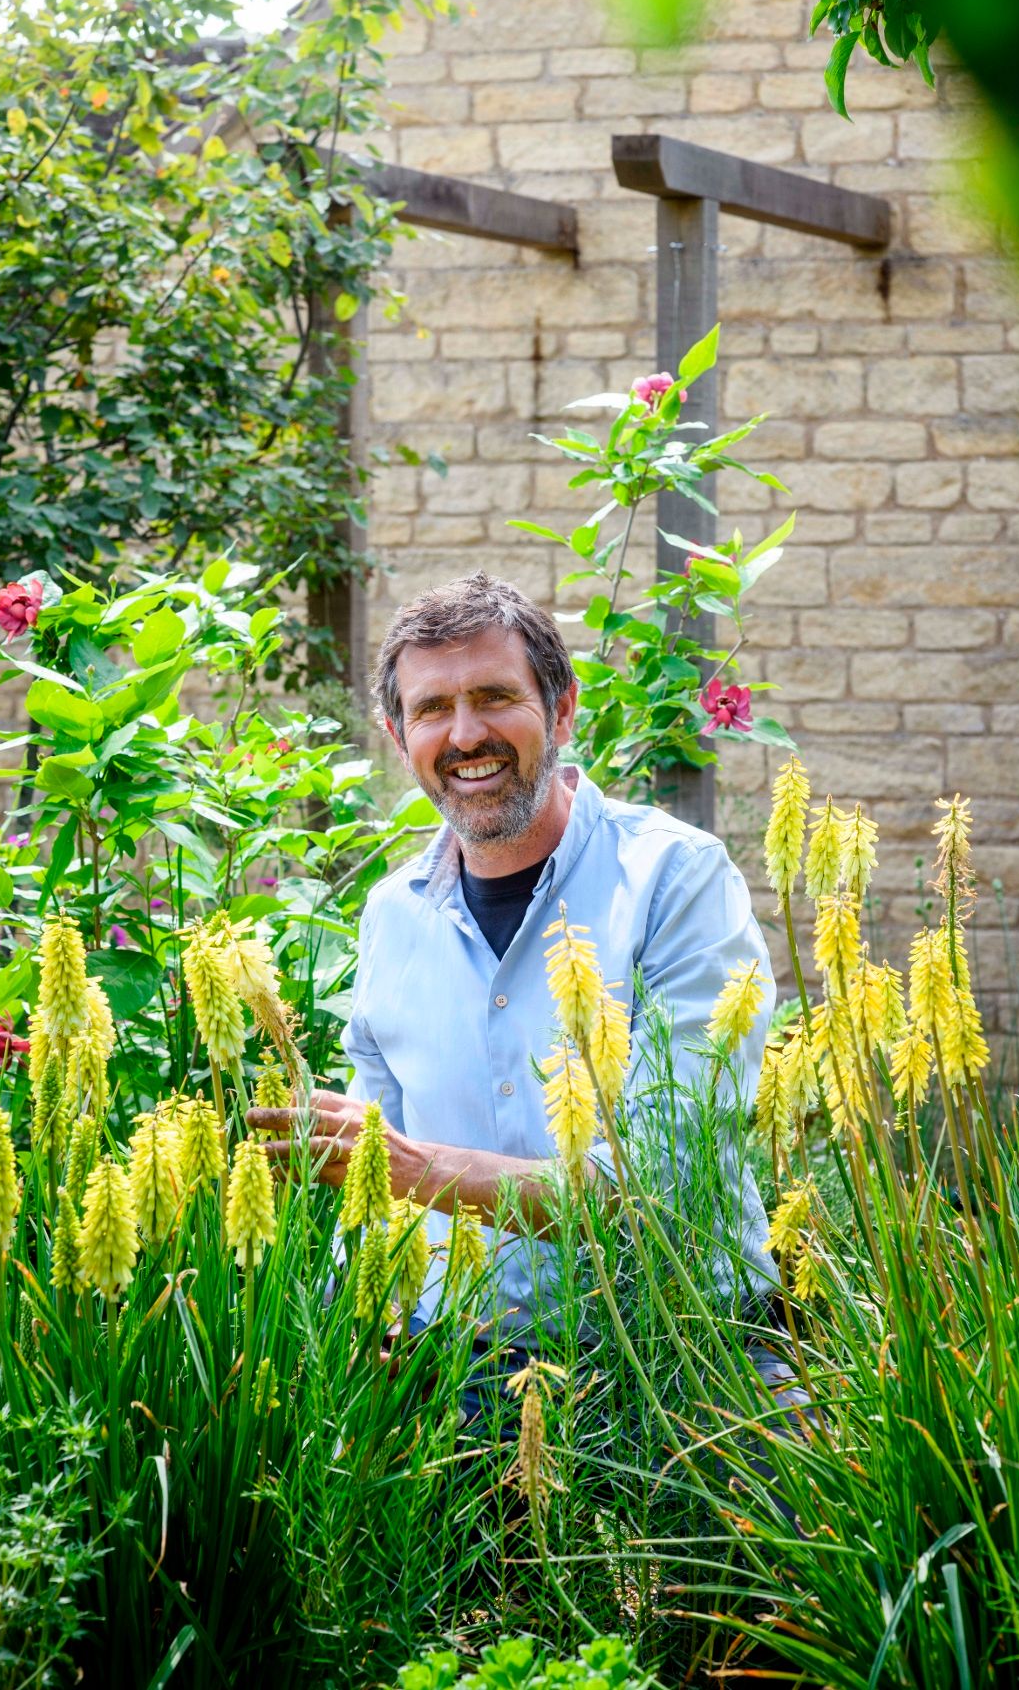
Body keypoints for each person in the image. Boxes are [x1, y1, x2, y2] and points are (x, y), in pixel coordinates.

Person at [248, 571, 779, 1353]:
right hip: (454, 1359)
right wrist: (360, 1304)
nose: (465, 736)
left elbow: (664, 1185)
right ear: (400, 741)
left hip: (683, 1360)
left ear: (561, 709)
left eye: (494, 697)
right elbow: (373, 1174)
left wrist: (417, 1168)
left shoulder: (675, 879)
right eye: (432, 709)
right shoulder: (393, 916)